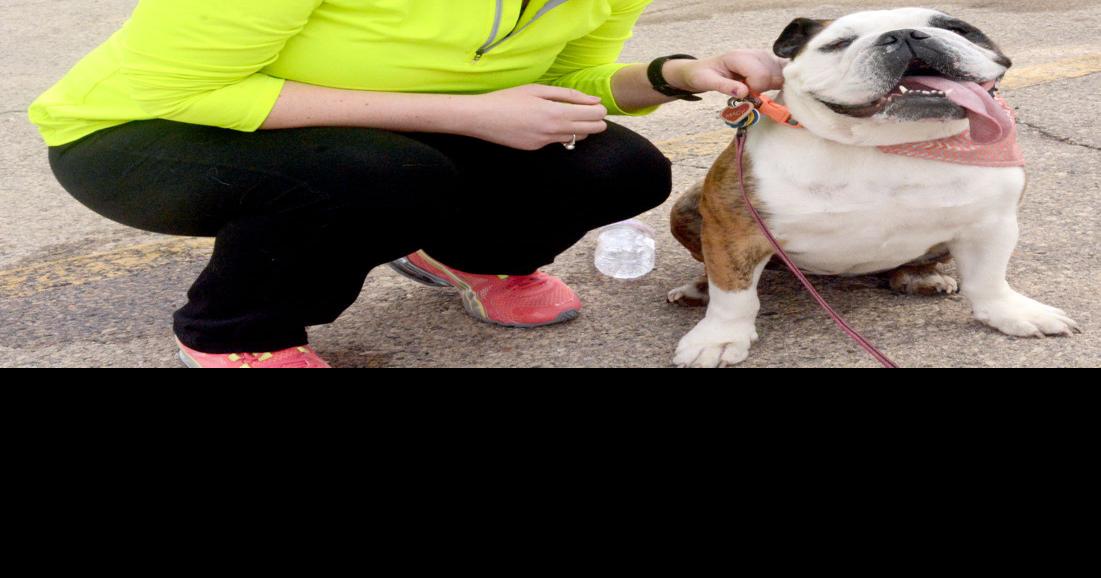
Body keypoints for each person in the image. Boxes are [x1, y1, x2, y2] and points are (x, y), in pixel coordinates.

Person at [30, 0, 785, 368]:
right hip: (142, 132)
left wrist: (676, 74)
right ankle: (236, 333)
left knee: (620, 165)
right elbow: (177, 89)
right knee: (380, 177)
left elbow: (562, 81)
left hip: (377, 129)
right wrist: (465, 115)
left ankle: (467, 258)